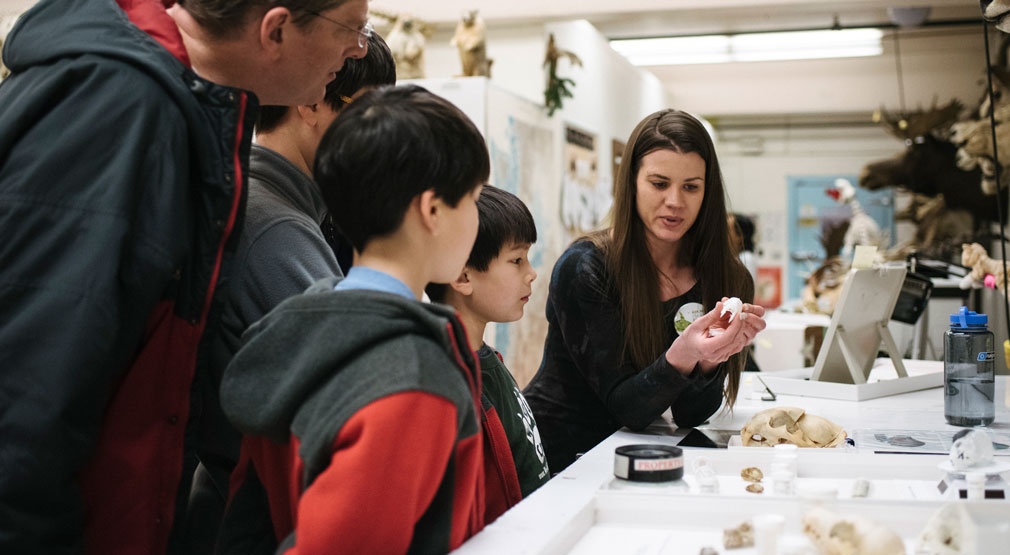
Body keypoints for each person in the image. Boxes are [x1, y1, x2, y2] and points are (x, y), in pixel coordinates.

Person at [0, 0, 369, 552]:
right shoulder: (118, 105)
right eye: (352, 28)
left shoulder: (184, 110)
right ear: (276, 29)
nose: (359, 47)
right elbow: (30, 386)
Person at [220, 85, 490, 552]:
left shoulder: (293, 331)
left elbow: (247, 529)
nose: (477, 220)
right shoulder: (412, 379)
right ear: (431, 210)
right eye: (473, 199)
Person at [189, 35, 396, 554]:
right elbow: (352, 390)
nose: (380, 141)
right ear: (310, 100)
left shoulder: (281, 205)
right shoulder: (276, 226)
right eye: (369, 116)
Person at [524, 109, 767, 473]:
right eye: (658, 183)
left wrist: (709, 358)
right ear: (631, 183)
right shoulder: (586, 266)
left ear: (707, 191)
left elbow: (692, 414)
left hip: (642, 454)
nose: (675, 201)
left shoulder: (726, 276)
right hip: (563, 461)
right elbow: (627, 406)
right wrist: (683, 354)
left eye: (691, 186)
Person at [425, 186, 551, 522]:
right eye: (516, 260)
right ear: (462, 275)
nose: (531, 272)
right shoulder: (450, 380)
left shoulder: (488, 359)